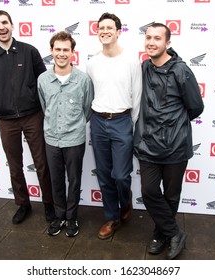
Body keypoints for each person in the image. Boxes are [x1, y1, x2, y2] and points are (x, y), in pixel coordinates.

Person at [133, 23, 204, 259]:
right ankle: (174, 232)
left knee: (171, 196)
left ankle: (161, 233)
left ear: (168, 43)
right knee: (150, 191)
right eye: (148, 37)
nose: (151, 42)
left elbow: (195, 107)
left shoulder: (181, 71)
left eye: (157, 38)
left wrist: (174, 125)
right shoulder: (143, 67)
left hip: (175, 146)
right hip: (147, 145)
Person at [0, 10, 55, 225]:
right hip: (6, 120)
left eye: (4, 22)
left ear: (12, 25)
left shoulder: (29, 51)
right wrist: (0, 111)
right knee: (15, 164)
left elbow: (43, 83)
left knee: (42, 163)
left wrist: (38, 108)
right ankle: (23, 204)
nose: (1, 27)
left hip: (33, 116)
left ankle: (49, 203)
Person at [86, 12, 142, 240]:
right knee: (104, 174)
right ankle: (112, 217)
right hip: (98, 121)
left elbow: (137, 96)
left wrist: (131, 123)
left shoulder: (131, 61)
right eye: (101, 27)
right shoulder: (92, 62)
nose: (105, 31)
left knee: (120, 175)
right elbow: (90, 93)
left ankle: (125, 198)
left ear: (118, 32)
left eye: (110, 27)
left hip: (122, 121)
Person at [38, 31, 94, 237]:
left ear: (72, 52)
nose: (61, 54)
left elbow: (87, 109)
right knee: (56, 180)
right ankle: (59, 216)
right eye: (58, 49)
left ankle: (72, 218)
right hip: (52, 138)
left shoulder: (83, 80)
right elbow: (45, 107)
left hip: (74, 139)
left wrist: (75, 125)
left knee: (74, 180)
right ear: (51, 51)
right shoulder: (43, 80)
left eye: (66, 50)